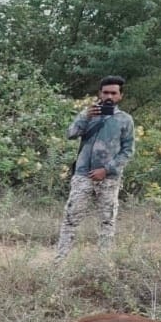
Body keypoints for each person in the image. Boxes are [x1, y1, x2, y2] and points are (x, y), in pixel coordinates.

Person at [54, 75, 135, 260]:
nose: (109, 96)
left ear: (120, 96)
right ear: (99, 93)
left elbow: (128, 151)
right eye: (105, 92)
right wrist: (84, 117)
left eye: (113, 93)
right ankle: (60, 261)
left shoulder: (125, 120)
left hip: (109, 178)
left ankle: (101, 263)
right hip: (83, 175)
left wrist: (107, 169)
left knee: (107, 221)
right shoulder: (88, 114)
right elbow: (70, 134)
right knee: (71, 218)